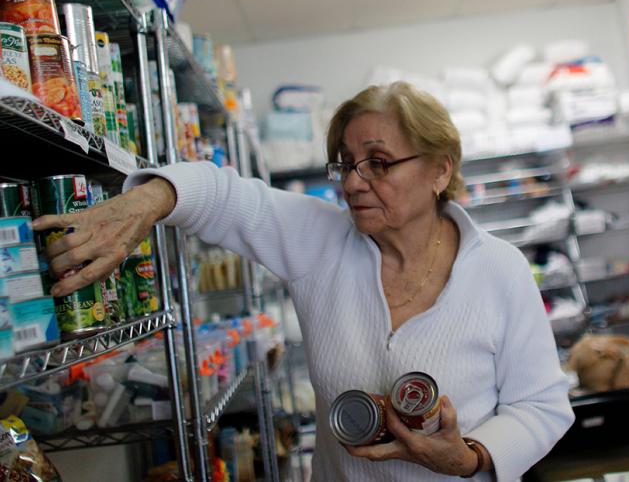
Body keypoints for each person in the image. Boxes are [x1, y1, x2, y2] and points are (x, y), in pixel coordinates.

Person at [35, 82, 574, 480]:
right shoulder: (322, 243)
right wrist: (143, 204)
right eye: (345, 164)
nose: (354, 183)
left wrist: (471, 456)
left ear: (439, 170)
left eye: (379, 164)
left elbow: (542, 406)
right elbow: (225, 196)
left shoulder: (499, 268)